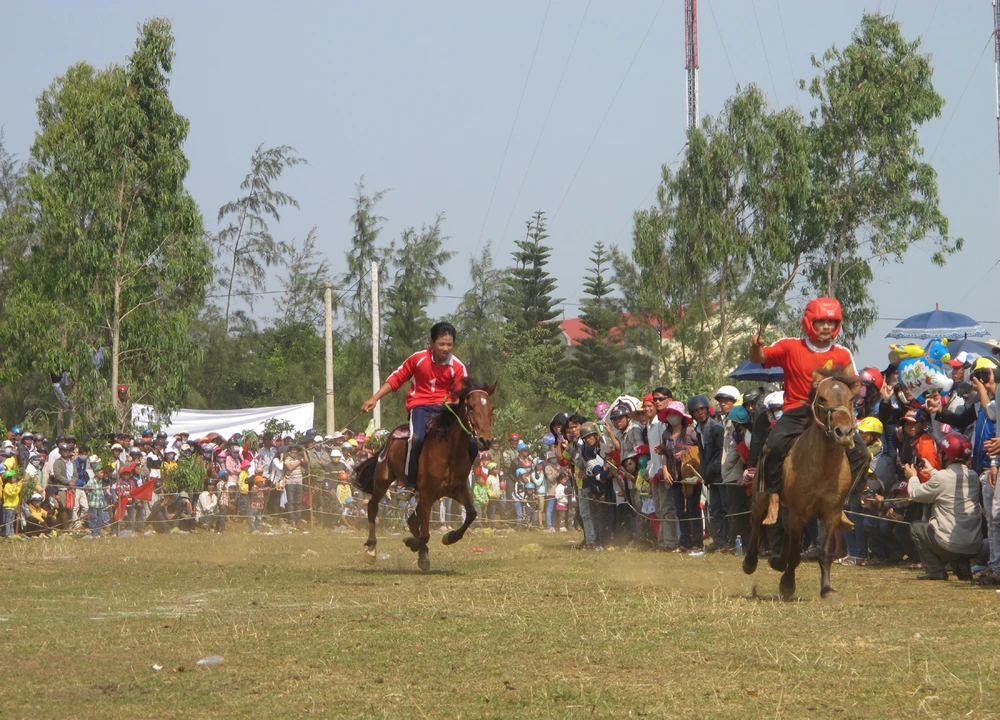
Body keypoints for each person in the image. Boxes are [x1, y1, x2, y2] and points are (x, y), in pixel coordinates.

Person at [749, 297, 867, 525]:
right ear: (809, 323)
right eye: (821, 321)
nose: (826, 327)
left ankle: (841, 503)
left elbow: (855, 385)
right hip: (797, 411)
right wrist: (755, 346)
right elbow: (759, 358)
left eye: (831, 322)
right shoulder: (790, 346)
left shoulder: (843, 354)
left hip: (830, 416)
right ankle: (772, 497)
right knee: (772, 447)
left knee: (861, 453)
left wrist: (842, 405)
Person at [360, 321, 471, 491]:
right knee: (417, 437)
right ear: (432, 343)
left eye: (449, 345)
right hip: (420, 407)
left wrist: (455, 402)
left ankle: (459, 480)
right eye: (441, 344)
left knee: (471, 442)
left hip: (446, 410)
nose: (445, 349)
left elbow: (461, 393)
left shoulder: (458, 367)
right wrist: (374, 399)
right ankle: (409, 481)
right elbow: (396, 378)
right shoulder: (418, 359)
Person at [904, 432, 983, 581]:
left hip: (950, 544)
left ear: (945, 455)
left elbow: (915, 494)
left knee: (916, 527)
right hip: (974, 545)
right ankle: (960, 563)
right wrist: (933, 472)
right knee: (951, 529)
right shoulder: (973, 476)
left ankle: (936, 570)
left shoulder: (941, 478)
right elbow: (950, 480)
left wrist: (913, 477)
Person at [689, 395, 725, 551]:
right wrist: (704, 473)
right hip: (710, 476)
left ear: (707, 409)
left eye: (702, 409)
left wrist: (709, 471)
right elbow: (703, 455)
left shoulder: (716, 428)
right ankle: (719, 540)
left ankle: (728, 540)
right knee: (714, 509)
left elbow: (721, 453)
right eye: (696, 410)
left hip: (721, 475)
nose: (700, 412)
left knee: (725, 508)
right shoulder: (698, 430)